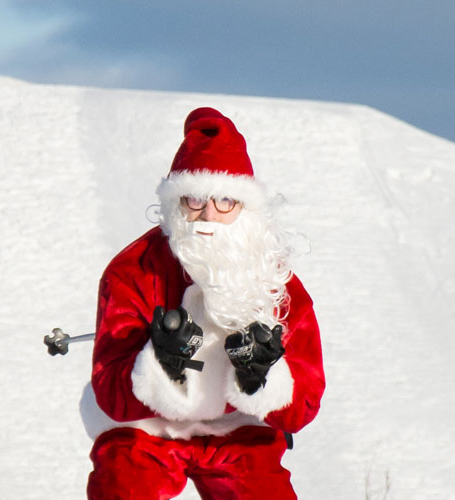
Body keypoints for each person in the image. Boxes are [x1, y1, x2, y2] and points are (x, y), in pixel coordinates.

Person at [84, 107, 326, 499]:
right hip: (148, 428)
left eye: (226, 201)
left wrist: (261, 377)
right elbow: (109, 393)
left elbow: (303, 407)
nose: (208, 215)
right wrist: (160, 364)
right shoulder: (132, 272)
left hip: (238, 431)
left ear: (246, 209)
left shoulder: (277, 284)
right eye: (195, 199)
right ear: (176, 204)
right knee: (123, 485)